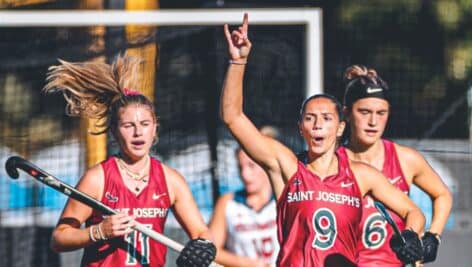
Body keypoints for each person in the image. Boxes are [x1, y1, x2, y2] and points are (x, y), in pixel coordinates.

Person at [220, 13, 425, 267]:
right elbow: (232, 117)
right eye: (310, 118)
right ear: (301, 127)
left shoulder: (361, 175)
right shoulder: (287, 167)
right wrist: (238, 61)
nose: (317, 124)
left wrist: (410, 235)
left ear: (340, 127)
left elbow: (413, 212)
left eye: (326, 118)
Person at [43, 55, 217, 267]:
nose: (137, 133)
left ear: (154, 128)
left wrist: (204, 247)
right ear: (115, 131)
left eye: (144, 123)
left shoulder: (171, 180)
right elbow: (59, 238)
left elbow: (201, 232)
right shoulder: (98, 179)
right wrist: (99, 231)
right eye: (128, 126)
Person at [340, 65, 453, 266]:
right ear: (347, 113)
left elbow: (442, 194)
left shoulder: (404, 159)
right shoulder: (332, 162)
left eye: (381, 113)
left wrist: (433, 236)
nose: (373, 121)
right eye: (364, 112)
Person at [208, 126, 280, 267]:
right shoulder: (228, 203)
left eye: (251, 166)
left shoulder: (284, 199)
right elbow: (211, 250)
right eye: (241, 168)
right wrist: (245, 264)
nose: (245, 175)